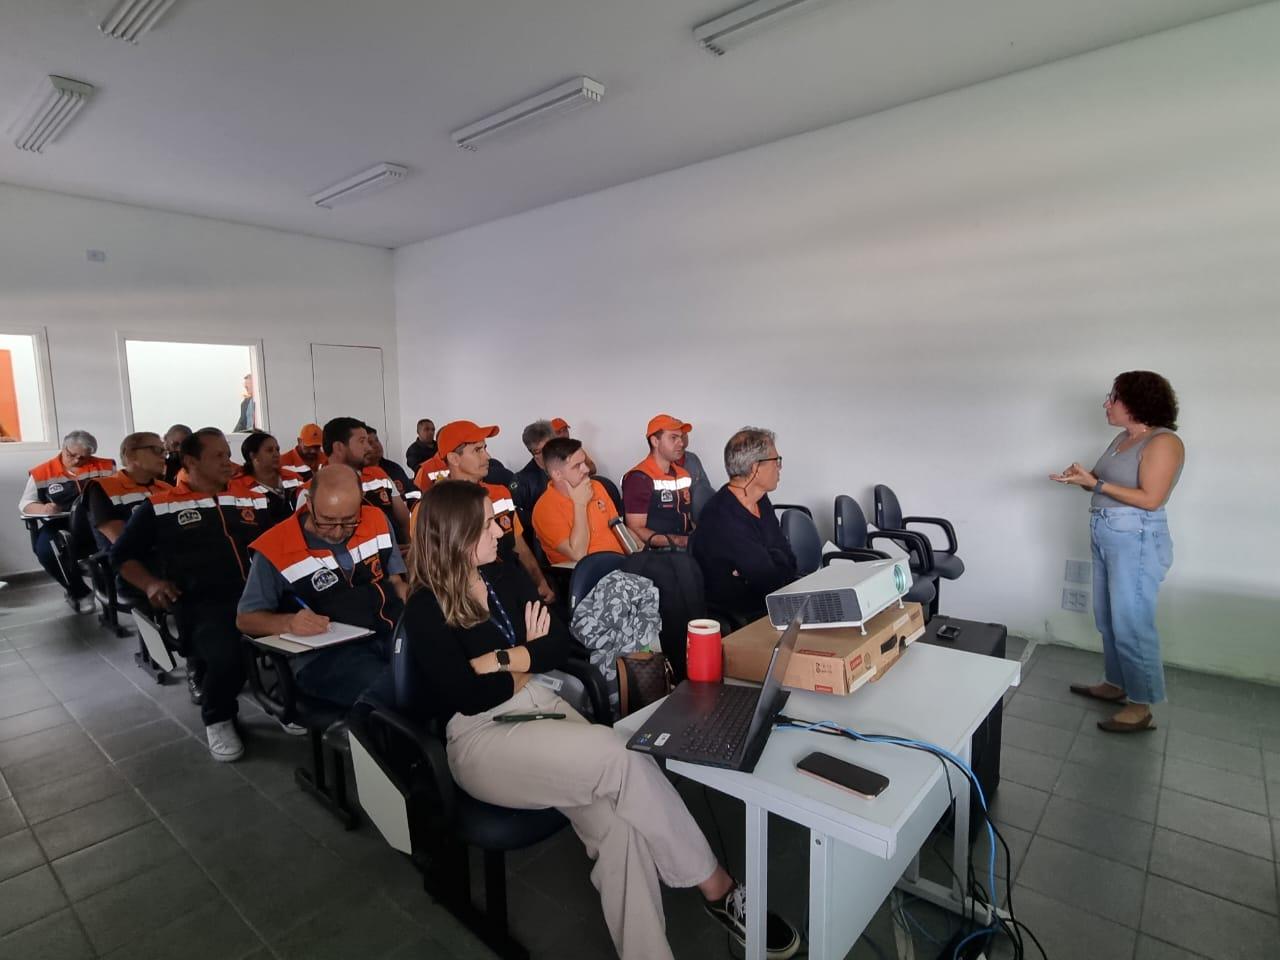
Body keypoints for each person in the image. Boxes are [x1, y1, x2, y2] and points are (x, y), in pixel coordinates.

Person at [401, 481, 800, 960]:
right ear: (457, 535)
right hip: (480, 736)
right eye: (487, 524)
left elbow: (557, 644)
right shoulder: (425, 608)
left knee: (618, 828)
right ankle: (718, 888)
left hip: (538, 703)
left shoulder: (502, 573)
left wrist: (502, 659)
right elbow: (467, 695)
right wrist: (526, 657)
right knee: (620, 755)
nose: (500, 530)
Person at [113, 428, 271, 762]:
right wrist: (150, 584)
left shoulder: (252, 497)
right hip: (203, 604)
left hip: (258, 595)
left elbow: (282, 536)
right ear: (191, 461)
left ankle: (286, 705)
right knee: (227, 656)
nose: (228, 462)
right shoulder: (161, 507)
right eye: (218, 456)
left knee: (302, 636)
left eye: (228, 454)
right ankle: (218, 718)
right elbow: (122, 556)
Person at [1051, 371, 1184, 733]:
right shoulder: (1123, 438)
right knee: (1108, 616)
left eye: (1114, 398)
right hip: (1108, 531)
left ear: (1138, 402)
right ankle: (1115, 683)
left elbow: (1151, 499)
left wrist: (1096, 484)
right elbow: (1101, 483)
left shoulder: (1163, 442)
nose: (1106, 404)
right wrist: (1082, 479)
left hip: (1136, 537)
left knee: (1132, 622)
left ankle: (1140, 706)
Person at [237, 464, 401, 708]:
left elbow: (396, 582)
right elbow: (245, 620)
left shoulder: (376, 520)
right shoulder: (275, 548)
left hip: (386, 631)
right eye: (327, 521)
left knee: (437, 672)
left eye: (349, 521)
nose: (337, 532)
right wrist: (288, 623)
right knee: (394, 692)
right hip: (325, 655)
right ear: (309, 503)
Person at [435, 420, 555, 601]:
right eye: (477, 450)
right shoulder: (435, 507)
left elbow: (518, 544)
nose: (488, 456)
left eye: (485, 448)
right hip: (467, 596)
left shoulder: (500, 493)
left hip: (512, 583)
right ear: (454, 458)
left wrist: (539, 581)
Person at [691, 427, 796, 621]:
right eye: (776, 460)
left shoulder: (760, 500)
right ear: (756, 468)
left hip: (772, 604)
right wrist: (774, 557)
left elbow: (789, 560)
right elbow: (768, 580)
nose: (779, 467)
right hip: (746, 617)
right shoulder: (722, 515)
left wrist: (772, 559)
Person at [19, 430, 117, 609]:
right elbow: (26, 503)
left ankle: (122, 591)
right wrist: (43, 508)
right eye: (72, 455)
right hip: (61, 524)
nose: (77, 460)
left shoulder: (106, 466)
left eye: (84, 457)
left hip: (100, 521)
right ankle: (78, 591)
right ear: (64, 448)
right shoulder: (42, 472)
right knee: (45, 550)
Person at [310, 417, 411, 543]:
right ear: (339, 447)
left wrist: (409, 548)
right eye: (362, 441)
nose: (369, 448)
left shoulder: (379, 475)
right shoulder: (313, 490)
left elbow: (404, 521)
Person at [531, 438, 626, 564]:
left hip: (622, 563)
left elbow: (618, 528)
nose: (586, 469)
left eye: (584, 462)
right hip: (589, 571)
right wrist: (580, 504)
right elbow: (578, 554)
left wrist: (639, 551)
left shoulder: (596, 486)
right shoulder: (544, 509)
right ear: (557, 474)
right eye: (577, 466)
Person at [84, 432, 172, 553]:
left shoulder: (167, 488)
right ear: (130, 454)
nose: (163, 457)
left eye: (165, 452)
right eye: (156, 450)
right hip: (128, 560)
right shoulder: (103, 487)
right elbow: (123, 541)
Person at [622, 415, 696, 549]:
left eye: (681, 437)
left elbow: (688, 517)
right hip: (658, 552)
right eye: (673, 438)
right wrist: (679, 541)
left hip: (685, 545)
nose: (681, 443)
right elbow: (636, 529)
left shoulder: (683, 474)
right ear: (655, 441)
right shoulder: (638, 478)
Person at [230, 431, 304, 525]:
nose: (276, 454)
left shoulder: (293, 477)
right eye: (270, 450)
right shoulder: (239, 486)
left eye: (277, 450)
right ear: (253, 456)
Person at [512, 419, 555, 529]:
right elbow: (515, 516)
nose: (546, 454)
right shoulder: (521, 480)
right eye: (538, 451)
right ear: (531, 452)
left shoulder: (569, 467)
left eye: (548, 448)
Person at [366, 426, 421, 505]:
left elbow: (412, 492)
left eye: (377, 440)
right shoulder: (359, 475)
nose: (376, 445)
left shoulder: (393, 468)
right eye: (370, 443)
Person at [677, 433, 716, 522]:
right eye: (675, 436)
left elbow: (705, 490)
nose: (681, 439)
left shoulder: (692, 458)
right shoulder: (662, 463)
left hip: (699, 520)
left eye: (684, 434)